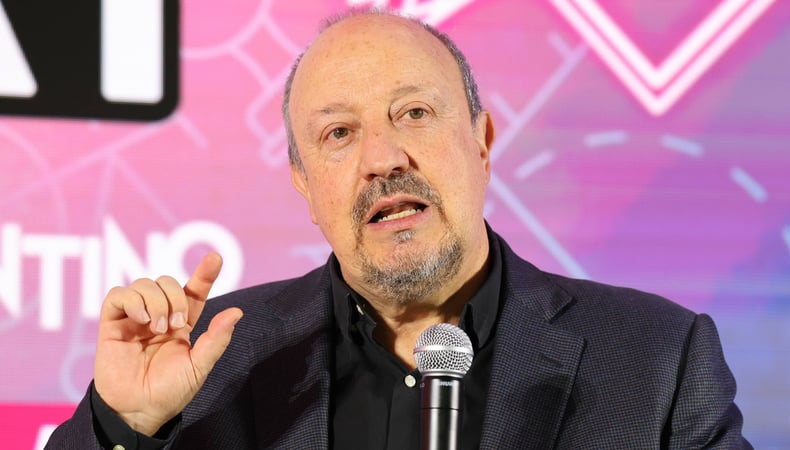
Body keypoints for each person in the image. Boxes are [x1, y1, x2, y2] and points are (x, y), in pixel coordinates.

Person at [47, 8, 751, 449]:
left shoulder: (656, 359)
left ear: (482, 142)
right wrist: (123, 424)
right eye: (339, 133)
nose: (383, 159)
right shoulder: (214, 360)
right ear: (304, 184)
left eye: (414, 114)